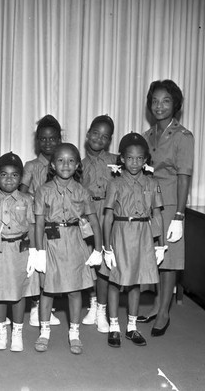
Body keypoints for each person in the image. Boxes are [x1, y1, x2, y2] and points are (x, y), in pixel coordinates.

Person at [34, 143, 103, 355]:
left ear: (78, 165)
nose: (66, 165)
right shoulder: (43, 191)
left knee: (75, 290)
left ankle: (74, 332)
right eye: (61, 161)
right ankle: (44, 331)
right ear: (53, 165)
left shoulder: (82, 191)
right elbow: (38, 223)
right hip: (51, 243)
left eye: (71, 160)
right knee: (48, 290)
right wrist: (39, 251)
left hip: (75, 242)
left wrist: (98, 249)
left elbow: (93, 221)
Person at [140, 80, 194, 336]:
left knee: (169, 260)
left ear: (176, 105)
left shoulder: (183, 136)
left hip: (171, 204)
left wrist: (180, 215)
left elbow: (184, 176)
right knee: (156, 257)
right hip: (150, 204)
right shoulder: (146, 136)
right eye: (155, 101)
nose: (159, 106)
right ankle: (156, 305)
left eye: (166, 101)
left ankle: (164, 312)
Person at [103, 132, 166, 347]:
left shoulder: (151, 183)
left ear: (146, 159)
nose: (135, 162)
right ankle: (113, 326)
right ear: (121, 158)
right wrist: (106, 247)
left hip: (142, 235)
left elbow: (157, 214)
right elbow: (108, 216)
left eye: (140, 158)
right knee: (115, 280)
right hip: (120, 233)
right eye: (130, 157)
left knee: (136, 281)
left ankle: (131, 327)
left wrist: (161, 245)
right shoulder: (115, 184)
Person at [0, 152, 40, 352]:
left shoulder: (27, 200)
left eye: (14, 175)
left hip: (19, 251)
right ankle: (2, 331)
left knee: (19, 292)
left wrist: (34, 251)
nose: (9, 179)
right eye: (4, 174)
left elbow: (32, 226)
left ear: (21, 178)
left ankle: (17, 332)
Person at [19, 114, 62, 327]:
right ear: (37, 141)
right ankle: (37, 306)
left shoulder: (64, 163)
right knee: (38, 263)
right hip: (38, 222)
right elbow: (22, 192)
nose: (48, 143)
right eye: (43, 139)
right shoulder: (31, 166)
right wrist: (37, 200)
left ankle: (49, 306)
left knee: (53, 264)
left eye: (52, 138)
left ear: (59, 139)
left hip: (58, 222)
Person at [80, 115, 118, 333]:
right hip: (87, 215)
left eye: (105, 136)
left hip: (108, 214)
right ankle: (93, 304)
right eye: (95, 133)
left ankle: (102, 310)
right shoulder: (78, 163)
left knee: (104, 264)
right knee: (89, 262)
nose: (98, 139)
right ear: (87, 134)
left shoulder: (116, 161)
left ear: (110, 140)